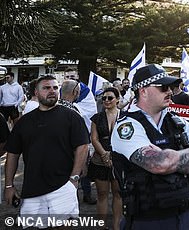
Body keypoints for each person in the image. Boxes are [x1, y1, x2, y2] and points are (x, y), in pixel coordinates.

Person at [111, 64, 189, 229]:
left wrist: (170, 160)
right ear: (143, 91)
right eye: (163, 87)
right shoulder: (127, 126)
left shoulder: (177, 122)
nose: (170, 91)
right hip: (147, 220)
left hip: (184, 215)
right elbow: (159, 165)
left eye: (171, 87)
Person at [4, 75, 89, 223]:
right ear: (36, 93)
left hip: (63, 187)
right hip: (32, 190)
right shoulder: (24, 122)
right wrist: (9, 185)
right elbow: (12, 154)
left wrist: (74, 179)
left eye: (55, 88)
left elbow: (82, 146)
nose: (52, 91)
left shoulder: (72, 117)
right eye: (46, 88)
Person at [89, 87, 123, 229]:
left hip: (119, 159)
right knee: (102, 194)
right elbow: (94, 139)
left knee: (118, 194)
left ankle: (116, 226)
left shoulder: (125, 116)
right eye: (104, 98)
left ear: (117, 99)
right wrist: (104, 154)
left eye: (110, 98)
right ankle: (101, 226)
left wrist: (113, 155)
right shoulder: (97, 117)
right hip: (99, 159)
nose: (106, 101)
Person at [59, 79, 97, 205]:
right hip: (71, 157)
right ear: (75, 92)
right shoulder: (75, 114)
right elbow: (82, 142)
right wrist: (83, 164)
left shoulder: (49, 109)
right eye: (79, 92)